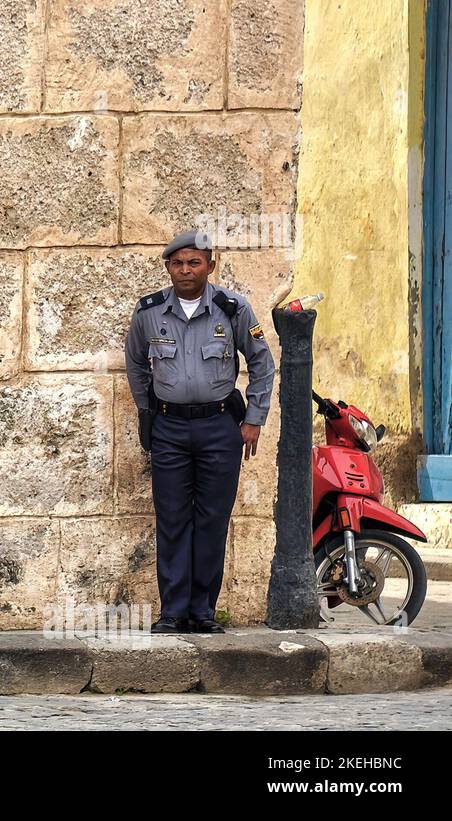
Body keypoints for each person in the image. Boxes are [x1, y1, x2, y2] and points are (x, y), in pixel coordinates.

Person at [125, 229, 276, 634]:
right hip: (170, 428)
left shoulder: (232, 308)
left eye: (194, 262)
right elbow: (137, 366)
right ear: (168, 267)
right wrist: (148, 413)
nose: (186, 270)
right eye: (178, 263)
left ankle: (203, 612)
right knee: (172, 520)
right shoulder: (150, 312)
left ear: (210, 265)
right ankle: (173, 612)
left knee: (212, 520)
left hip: (219, 428)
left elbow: (262, 363)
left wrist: (254, 419)